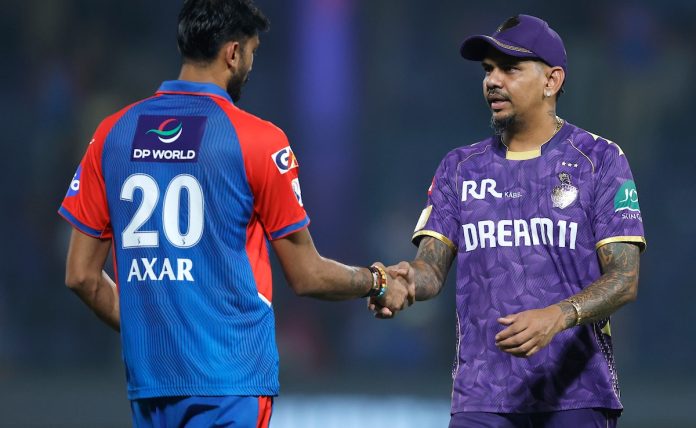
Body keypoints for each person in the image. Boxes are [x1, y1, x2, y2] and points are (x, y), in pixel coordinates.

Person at [58, 1, 413, 427]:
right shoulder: (259, 140)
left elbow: (80, 275)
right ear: (232, 53)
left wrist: (151, 330)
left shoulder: (111, 134)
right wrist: (377, 281)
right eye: (252, 53)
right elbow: (307, 275)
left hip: (151, 384)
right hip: (231, 382)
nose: (250, 66)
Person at [372, 14, 646, 427]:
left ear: (551, 80)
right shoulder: (460, 168)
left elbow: (625, 278)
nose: (492, 81)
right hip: (482, 395)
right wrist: (405, 283)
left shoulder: (600, 159)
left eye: (510, 68)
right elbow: (431, 270)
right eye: (488, 70)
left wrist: (559, 315)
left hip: (575, 394)